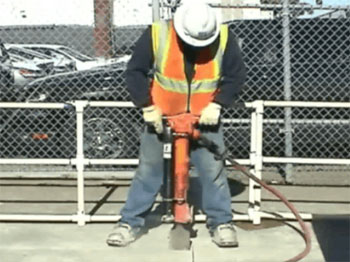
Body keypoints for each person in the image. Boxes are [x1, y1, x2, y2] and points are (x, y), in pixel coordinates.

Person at [107, 1, 246, 247]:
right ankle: (130, 222)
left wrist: (219, 104)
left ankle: (222, 222)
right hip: (162, 118)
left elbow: (236, 75)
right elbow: (135, 71)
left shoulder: (223, 36)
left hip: (205, 119)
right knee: (148, 172)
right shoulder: (157, 33)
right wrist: (146, 106)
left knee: (213, 173)